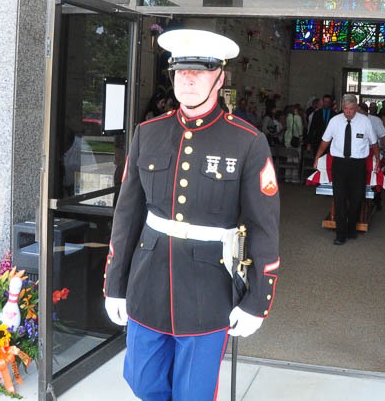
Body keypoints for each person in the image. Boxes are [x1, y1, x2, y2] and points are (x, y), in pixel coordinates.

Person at [104, 29, 281, 401]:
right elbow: (127, 215)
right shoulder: (148, 133)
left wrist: (257, 301)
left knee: (193, 392)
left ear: (220, 77)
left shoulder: (247, 141)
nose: (187, 79)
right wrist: (114, 284)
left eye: (199, 71)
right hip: (147, 282)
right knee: (142, 381)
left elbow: (263, 227)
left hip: (209, 289)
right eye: (181, 71)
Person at [313, 94, 378, 245]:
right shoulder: (335, 121)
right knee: (340, 198)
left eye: (351, 109)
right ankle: (340, 234)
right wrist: (317, 157)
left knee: (357, 198)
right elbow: (325, 141)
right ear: (342, 107)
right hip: (340, 164)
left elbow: (374, 142)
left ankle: (351, 228)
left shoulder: (365, 122)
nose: (348, 112)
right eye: (346, 109)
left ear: (356, 108)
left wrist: (378, 160)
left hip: (358, 164)